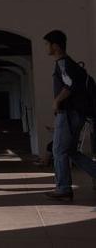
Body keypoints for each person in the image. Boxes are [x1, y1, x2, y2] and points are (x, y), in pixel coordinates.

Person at [43, 30, 96, 200]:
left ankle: (63, 189)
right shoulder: (68, 63)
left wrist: (57, 101)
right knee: (70, 150)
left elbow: (70, 84)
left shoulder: (62, 63)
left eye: (47, 44)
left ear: (55, 45)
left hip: (68, 113)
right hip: (75, 114)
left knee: (59, 150)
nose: (46, 47)